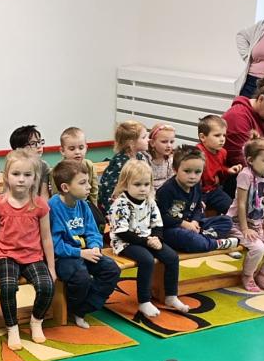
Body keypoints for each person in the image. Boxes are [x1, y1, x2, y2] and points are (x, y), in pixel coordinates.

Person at [0, 150, 56, 351]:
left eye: (27, 175)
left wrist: (51, 267)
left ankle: (36, 321)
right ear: (6, 176)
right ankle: (12, 327)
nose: (21, 179)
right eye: (16, 174)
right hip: (7, 256)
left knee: (47, 286)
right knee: (8, 287)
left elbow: (46, 238)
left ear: (34, 178)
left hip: (33, 257)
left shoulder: (40, 205)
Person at [107, 159, 186, 321]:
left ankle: (171, 295)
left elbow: (157, 224)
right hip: (125, 242)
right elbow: (122, 232)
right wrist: (147, 242)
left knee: (172, 257)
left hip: (148, 239)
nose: (143, 189)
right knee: (146, 260)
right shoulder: (120, 204)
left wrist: (157, 238)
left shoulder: (150, 201)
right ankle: (144, 301)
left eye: (146, 184)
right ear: (125, 184)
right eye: (137, 184)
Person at [48, 160, 120, 328]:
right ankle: (74, 307)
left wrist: (95, 246)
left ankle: (83, 308)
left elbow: (92, 231)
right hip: (63, 257)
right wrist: (80, 253)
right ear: (65, 187)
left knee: (111, 269)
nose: (89, 186)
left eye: (88, 182)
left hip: (85, 253)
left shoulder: (83, 204)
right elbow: (54, 245)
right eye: (82, 183)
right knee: (81, 277)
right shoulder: (53, 207)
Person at [226, 138, 264, 293]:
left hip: (257, 224)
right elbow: (241, 204)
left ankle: (263, 275)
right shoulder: (245, 175)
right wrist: (245, 229)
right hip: (237, 224)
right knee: (258, 248)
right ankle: (247, 276)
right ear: (250, 160)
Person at [155, 146, 239, 253]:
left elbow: (198, 208)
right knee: (187, 237)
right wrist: (184, 224)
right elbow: (161, 217)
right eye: (187, 171)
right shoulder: (166, 190)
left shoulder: (197, 185)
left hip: (193, 225)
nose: (193, 176)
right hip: (172, 229)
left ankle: (203, 239)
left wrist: (195, 221)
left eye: (197, 172)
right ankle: (215, 243)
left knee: (226, 221)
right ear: (175, 169)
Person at [59, 125, 106, 230]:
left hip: (86, 204)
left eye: (81, 148)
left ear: (86, 148)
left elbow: (94, 190)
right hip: (67, 209)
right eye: (72, 149)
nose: (77, 152)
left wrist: (94, 209)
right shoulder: (58, 170)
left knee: (98, 223)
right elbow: (56, 193)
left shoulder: (89, 165)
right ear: (62, 151)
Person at [97, 120, 148, 213]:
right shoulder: (121, 162)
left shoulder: (140, 157)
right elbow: (108, 188)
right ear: (131, 143)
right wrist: (111, 211)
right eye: (144, 137)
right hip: (118, 207)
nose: (148, 140)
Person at [196, 115, 238, 214]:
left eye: (224, 135)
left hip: (214, 190)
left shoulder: (222, 152)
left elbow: (220, 168)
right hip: (198, 192)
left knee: (231, 209)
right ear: (203, 137)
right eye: (217, 135)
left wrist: (228, 170)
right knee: (197, 213)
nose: (222, 139)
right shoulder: (197, 152)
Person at [9, 124, 51, 199]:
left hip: (37, 203)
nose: (39, 146)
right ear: (19, 149)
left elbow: (44, 194)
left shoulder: (43, 166)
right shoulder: (13, 165)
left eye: (39, 142)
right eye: (33, 143)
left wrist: (42, 206)